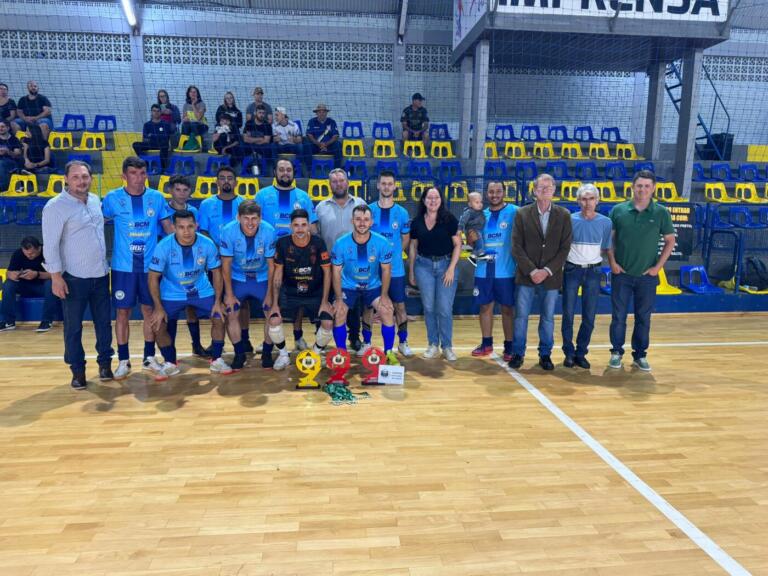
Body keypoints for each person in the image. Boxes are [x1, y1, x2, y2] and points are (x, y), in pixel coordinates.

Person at [42, 160, 113, 390]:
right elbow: (50, 245)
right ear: (66, 179)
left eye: (85, 176)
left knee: (104, 324)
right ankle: (77, 371)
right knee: (73, 328)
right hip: (73, 277)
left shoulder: (95, 200)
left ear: (91, 178)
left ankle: (105, 365)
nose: (81, 181)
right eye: (76, 177)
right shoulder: (55, 207)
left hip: (101, 274)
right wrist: (55, 277)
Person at [102, 156, 174, 380]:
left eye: (142, 173)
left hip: (150, 269)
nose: (139, 178)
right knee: (122, 312)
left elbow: (169, 229)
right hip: (123, 268)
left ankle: (149, 357)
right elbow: (96, 225)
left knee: (149, 312)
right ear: (124, 176)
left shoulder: (156, 198)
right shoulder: (112, 199)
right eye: (133, 173)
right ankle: (123, 360)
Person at [148, 210, 233, 380]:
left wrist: (217, 301)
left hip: (201, 290)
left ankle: (216, 359)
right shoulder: (164, 246)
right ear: (173, 227)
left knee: (219, 316)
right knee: (157, 324)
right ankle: (170, 363)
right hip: (172, 292)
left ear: (196, 226)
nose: (186, 231)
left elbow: (217, 273)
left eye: (190, 227)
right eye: (181, 227)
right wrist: (157, 307)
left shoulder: (207, 244)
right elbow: (152, 277)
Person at [607, 170, 676, 372]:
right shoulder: (618, 210)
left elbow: (670, 241)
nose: (643, 189)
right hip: (622, 274)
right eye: (639, 185)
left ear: (653, 188)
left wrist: (658, 267)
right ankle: (616, 352)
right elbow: (609, 239)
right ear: (632, 187)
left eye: (647, 186)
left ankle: (640, 355)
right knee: (618, 316)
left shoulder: (661, 212)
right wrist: (612, 262)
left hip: (647, 277)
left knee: (643, 318)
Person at [508, 174, 572, 371]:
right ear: (534, 191)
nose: (544, 191)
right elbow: (516, 246)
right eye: (540, 188)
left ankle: (545, 354)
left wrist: (546, 270)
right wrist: (532, 270)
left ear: (554, 190)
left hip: (551, 278)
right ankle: (518, 353)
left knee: (547, 318)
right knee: (521, 317)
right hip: (526, 276)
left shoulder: (564, 214)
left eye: (548, 187)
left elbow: (565, 248)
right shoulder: (522, 213)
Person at [256, 158, 318, 350]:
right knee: (272, 297)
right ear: (275, 172)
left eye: (288, 170)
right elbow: (253, 226)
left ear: (293, 173)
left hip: (297, 258)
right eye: (281, 169)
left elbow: (313, 228)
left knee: (298, 298)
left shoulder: (303, 197)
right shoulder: (262, 195)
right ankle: (271, 339)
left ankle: (298, 336)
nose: (285, 173)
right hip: (269, 258)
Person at [331, 205, 398, 366]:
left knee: (387, 310)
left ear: (371, 222)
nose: (362, 223)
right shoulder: (340, 243)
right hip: (349, 286)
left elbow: (386, 270)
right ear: (352, 220)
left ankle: (388, 353)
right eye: (358, 219)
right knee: (339, 311)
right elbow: (335, 272)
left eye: (366, 219)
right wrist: (339, 298)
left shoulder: (382, 242)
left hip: (372, 286)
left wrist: (384, 296)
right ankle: (342, 355)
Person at [270, 209, 334, 370]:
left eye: (303, 225)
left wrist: (325, 301)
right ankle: (284, 355)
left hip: (315, 291)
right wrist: (274, 303)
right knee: (273, 320)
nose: (300, 229)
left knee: (327, 322)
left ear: (308, 226)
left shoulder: (318, 243)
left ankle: (315, 353)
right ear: (291, 226)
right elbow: (277, 275)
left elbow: (327, 272)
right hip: (290, 291)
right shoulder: (283, 243)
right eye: (296, 225)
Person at [220, 201, 276, 370]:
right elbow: (226, 265)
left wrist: (270, 293)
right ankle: (239, 353)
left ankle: (266, 352)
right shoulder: (228, 231)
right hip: (238, 277)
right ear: (238, 218)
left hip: (261, 277)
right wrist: (229, 294)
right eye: (246, 219)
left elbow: (272, 265)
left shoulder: (269, 231)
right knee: (231, 313)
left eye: (254, 218)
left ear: (260, 218)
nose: (250, 223)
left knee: (272, 315)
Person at [561, 183, 612, 369]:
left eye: (591, 198)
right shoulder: (569, 220)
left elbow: (606, 247)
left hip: (593, 271)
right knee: (567, 314)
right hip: (572, 270)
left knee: (589, 316)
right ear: (577, 201)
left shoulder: (606, 222)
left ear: (597, 200)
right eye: (584, 198)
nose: (588, 202)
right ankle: (568, 352)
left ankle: (581, 352)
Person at [198, 166, 249, 352]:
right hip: (214, 263)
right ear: (217, 182)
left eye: (230, 178)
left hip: (239, 262)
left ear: (235, 182)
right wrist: (217, 251)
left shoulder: (244, 203)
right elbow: (203, 232)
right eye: (222, 178)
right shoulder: (206, 205)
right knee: (217, 301)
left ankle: (245, 339)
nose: (226, 181)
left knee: (242, 302)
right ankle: (217, 342)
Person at [315, 168, 366, 352]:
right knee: (328, 302)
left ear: (348, 182)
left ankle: (354, 337)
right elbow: (317, 236)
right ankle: (321, 340)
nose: (338, 184)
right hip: (328, 266)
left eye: (341, 180)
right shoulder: (321, 208)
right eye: (334, 181)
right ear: (329, 184)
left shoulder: (360, 203)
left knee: (353, 305)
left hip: (354, 266)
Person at [408, 186, 461, 361]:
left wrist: (452, 268)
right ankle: (432, 344)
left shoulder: (449, 219)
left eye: (436, 197)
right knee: (429, 308)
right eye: (429, 198)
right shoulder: (416, 222)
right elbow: (413, 246)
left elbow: (458, 245)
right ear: (424, 201)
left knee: (444, 309)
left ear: (441, 200)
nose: (433, 201)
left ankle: (447, 346)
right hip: (423, 267)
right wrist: (412, 270)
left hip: (446, 265)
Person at [470, 181, 518, 361]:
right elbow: (472, 242)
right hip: (483, 270)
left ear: (504, 192)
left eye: (498, 191)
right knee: (485, 307)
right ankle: (486, 343)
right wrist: (472, 239)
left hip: (506, 271)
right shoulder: (479, 214)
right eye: (491, 192)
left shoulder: (514, 211)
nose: (495, 195)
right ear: (486, 194)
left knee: (507, 309)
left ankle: (510, 347)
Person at [368, 170, 413, 357]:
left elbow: (406, 238)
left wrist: (393, 254)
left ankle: (402, 341)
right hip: (371, 269)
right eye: (383, 183)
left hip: (395, 270)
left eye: (390, 184)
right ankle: (367, 342)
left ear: (395, 186)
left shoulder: (402, 213)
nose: (386, 187)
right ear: (378, 185)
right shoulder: (369, 210)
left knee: (400, 306)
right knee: (368, 307)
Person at [161, 175, 206, 357]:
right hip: (169, 266)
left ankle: (196, 345)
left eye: (185, 190)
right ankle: (170, 351)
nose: (181, 193)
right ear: (170, 190)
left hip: (191, 263)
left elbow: (197, 238)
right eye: (177, 189)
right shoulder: (163, 210)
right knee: (170, 310)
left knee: (191, 307)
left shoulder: (194, 210)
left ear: (190, 192)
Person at [0, 236, 60, 333]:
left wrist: (36, 274)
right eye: (26, 253)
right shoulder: (18, 254)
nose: (29, 256)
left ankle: (47, 321)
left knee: (50, 283)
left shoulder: (48, 253)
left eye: (32, 253)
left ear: (39, 248)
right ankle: (8, 321)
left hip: (42, 286)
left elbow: (56, 274)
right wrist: (12, 275)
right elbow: (8, 273)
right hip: (24, 286)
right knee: (8, 284)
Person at [132, 104, 173, 171]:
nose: (156, 113)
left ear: (160, 112)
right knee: (135, 144)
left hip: (161, 144)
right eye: (154, 111)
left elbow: (166, 137)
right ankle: (145, 163)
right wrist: (156, 136)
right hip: (151, 143)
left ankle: (162, 168)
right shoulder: (147, 125)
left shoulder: (166, 124)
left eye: (158, 111)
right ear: (151, 112)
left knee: (164, 145)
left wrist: (152, 135)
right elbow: (145, 137)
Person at [241, 104, 275, 174]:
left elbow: (266, 140)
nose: (261, 115)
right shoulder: (249, 123)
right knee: (241, 146)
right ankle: (244, 170)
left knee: (268, 147)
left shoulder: (267, 125)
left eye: (263, 113)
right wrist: (259, 139)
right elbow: (245, 139)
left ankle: (267, 171)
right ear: (255, 113)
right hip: (251, 146)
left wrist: (252, 139)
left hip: (262, 147)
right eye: (259, 113)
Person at [306, 103, 341, 167]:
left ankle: (337, 169)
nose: (322, 113)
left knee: (338, 145)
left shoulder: (331, 121)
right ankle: (309, 170)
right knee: (307, 145)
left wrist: (326, 144)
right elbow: (309, 135)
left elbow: (335, 136)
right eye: (319, 112)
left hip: (329, 146)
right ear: (316, 113)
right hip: (316, 146)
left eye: (324, 111)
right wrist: (319, 144)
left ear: (326, 113)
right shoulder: (312, 121)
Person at [459, 191, 489, 263]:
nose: (480, 204)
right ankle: (480, 253)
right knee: (479, 239)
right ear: (470, 204)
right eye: (477, 202)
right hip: (472, 230)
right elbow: (462, 221)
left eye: (481, 202)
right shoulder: (469, 212)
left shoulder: (480, 212)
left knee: (478, 242)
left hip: (479, 230)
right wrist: (460, 229)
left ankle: (472, 255)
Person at [180, 85, 208, 151]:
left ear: (197, 94)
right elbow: (183, 118)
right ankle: (185, 145)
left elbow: (198, 118)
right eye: (191, 92)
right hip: (189, 125)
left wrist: (193, 105)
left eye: (194, 92)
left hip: (201, 125)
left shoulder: (202, 104)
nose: (193, 93)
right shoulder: (186, 105)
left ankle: (196, 144)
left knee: (194, 124)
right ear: (188, 94)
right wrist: (185, 119)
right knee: (184, 125)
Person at [0, 119, 22, 191]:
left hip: (11, 162)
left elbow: (17, 154)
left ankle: (3, 188)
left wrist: (7, 151)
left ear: (8, 128)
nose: (0, 128)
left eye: (3, 126)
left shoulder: (14, 139)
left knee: (1, 164)